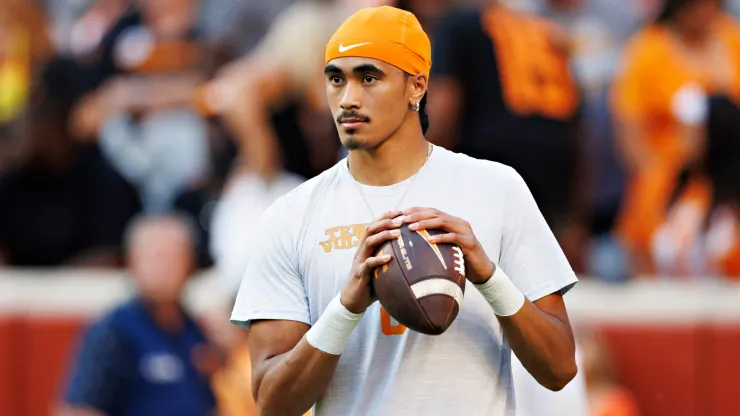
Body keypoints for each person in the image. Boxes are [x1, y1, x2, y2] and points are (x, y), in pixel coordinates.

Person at [231, 6, 578, 416]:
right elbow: (272, 403)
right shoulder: (290, 215)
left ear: (416, 87)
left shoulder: (496, 188)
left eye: (369, 77)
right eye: (336, 79)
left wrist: (488, 276)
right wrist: (346, 308)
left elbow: (559, 368)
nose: (348, 99)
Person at [427, 1, 589, 272]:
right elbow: (578, 127)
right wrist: (577, 214)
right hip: (556, 171)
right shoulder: (545, 30)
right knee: (547, 287)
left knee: (484, 285)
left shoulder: (457, 25)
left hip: (491, 164)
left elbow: (444, 108)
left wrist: (420, 170)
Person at [610, 0, 740, 274]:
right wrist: (656, 178)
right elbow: (628, 124)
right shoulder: (648, 49)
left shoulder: (732, 40)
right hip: (667, 177)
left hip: (727, 178)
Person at [59, 215, 218, 416]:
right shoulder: (114, 331)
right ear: (132, 262)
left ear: (190, 263)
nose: (164, 268)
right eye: (156, 257)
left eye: (174, 257)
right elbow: (78, 410)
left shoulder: (197, 330)